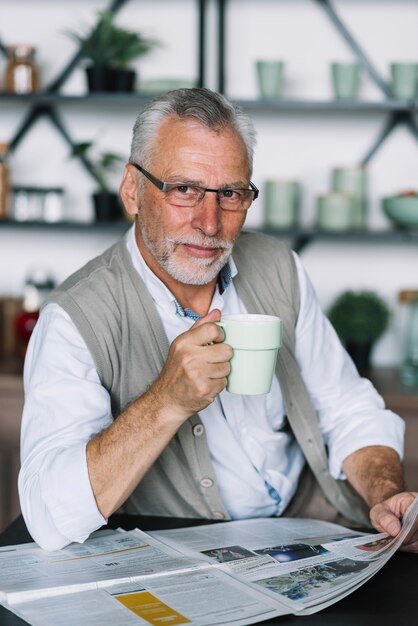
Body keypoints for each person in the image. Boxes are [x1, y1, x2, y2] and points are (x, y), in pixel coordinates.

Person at [19, 87, 417, 552]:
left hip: (308, 528)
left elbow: (347, 407)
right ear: (132, 190)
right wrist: (165, 402)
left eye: (230, 193)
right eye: (184, 189)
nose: (210, 223)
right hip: (179, 551)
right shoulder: (74, 317)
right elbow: (48, 516)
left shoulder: (278, 266)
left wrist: (386, 495)